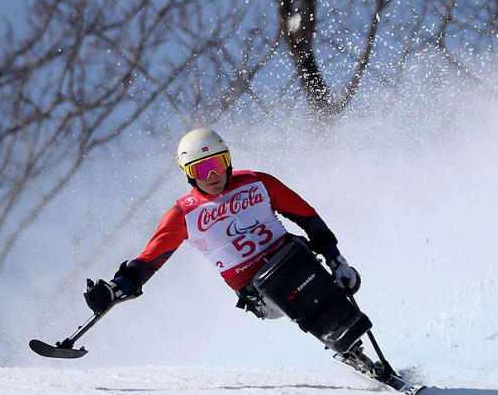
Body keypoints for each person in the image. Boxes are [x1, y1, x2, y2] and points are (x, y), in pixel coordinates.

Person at [84, 128, 361, 319]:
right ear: (189, 175)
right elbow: (149, 260)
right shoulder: (183, 213)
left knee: (305, 267)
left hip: (294, 262)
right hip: (259, 291)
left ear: (228, 160)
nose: (213, 174)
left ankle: (353, 342)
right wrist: (116, 287)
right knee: (287, 288)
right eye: (202, 169)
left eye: (218, 162)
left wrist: (336, 260)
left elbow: (308, 218)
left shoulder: (257, 182)